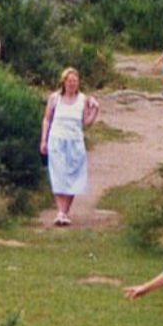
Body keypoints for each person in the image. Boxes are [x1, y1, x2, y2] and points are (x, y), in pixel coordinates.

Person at [39, 67, 99, 227]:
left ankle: (64, 212)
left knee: (73, 175)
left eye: (75, 81)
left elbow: (85, 123)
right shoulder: (55, 98)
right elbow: (46, 119)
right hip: (57, 140)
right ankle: (60, 211)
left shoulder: (82, 99)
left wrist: (95, 111)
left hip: (75, 141)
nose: (72, 84)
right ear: (64, 82)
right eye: (70, 81)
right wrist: (43, 140)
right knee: (59, 174)